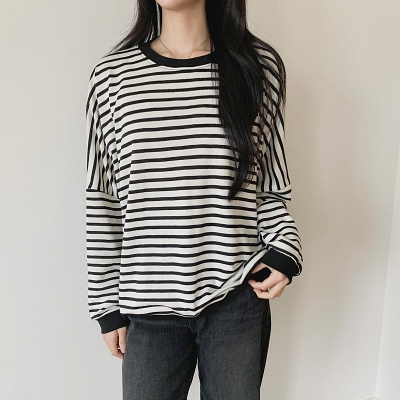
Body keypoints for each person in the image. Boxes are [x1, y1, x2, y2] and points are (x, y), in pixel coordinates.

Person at [85, 0, 303, 398]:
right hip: (147, 303)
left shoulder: (257, 67)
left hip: (236, 295)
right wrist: (105, 304)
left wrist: (284, 248)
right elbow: (104, 199)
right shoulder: (113, 77)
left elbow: (269, 186)